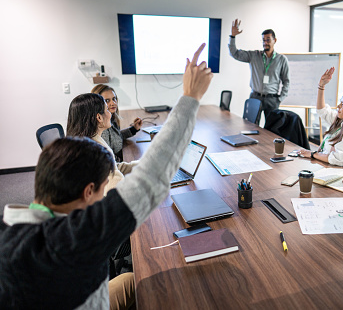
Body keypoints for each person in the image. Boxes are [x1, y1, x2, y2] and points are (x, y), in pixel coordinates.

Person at [0, 43, 213, 309]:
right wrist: (191, 96)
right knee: (164, 283)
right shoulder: (76, 239)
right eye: (103, 189)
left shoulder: (10, 225)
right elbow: (152, 178)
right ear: (89, 192)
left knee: (132, 281)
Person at [297, 67, 343, 170]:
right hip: (323, 166)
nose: (338, 106)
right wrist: (321, 86)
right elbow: (322, 110)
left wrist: (313, 154)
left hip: (334, 173)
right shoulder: (341, 121)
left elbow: (338, 159)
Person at [66, 93, 136, 196]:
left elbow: (113, 168)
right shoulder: (98, 151)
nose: (110, 113)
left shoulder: (83, 142)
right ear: (99, 117)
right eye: (107, 109)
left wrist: (146, 164)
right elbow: (118, 193)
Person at [228, 18, 290, 119]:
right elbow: (234, 53)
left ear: (275, 40)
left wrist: (279, 99)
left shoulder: (282, 59)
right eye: (264, 40)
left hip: (272, 99)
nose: (265, 42)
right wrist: (232, 36)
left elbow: (286, 81)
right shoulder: (254, 56)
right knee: (250, 126)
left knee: (272, 129)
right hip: (255, 97)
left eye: (268, 40)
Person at [91, 84, 142, 162]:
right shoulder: (102, 127)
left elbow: (117, 136)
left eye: (114, 99)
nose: (113, 103)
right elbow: (109, 159)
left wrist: (134, 129)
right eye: (107, 100)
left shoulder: (110, 118)